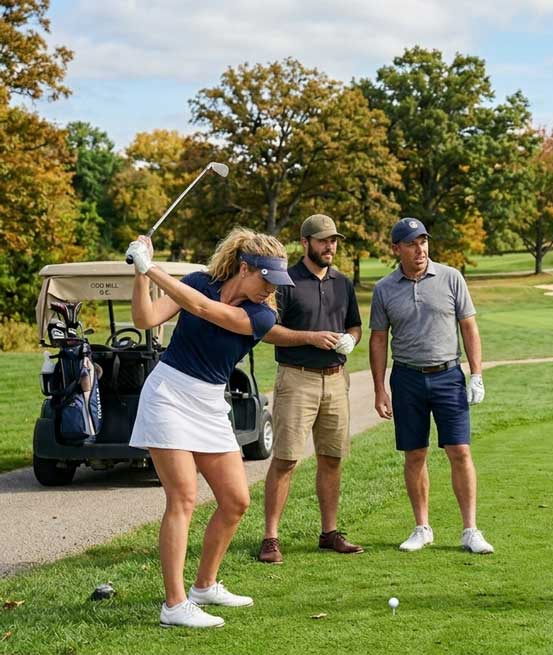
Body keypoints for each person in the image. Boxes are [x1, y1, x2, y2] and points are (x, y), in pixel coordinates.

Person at [125, 228, 293, 628]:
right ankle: (174, 604)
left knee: (236, 500)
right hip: (168, 393)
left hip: (209, 402)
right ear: (244, 267)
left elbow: (203, 310)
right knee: (182, 497)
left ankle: (205, 585)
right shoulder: (201, 280)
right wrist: (138, 274)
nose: (270, 290)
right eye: (265, 279)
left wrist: (154, 270)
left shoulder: (261, 314)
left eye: (275, 283)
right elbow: (145, 318)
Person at [368, 217, 493, 555]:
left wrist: (476, 374)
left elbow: (469, 328)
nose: (420, 248)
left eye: (423, 241)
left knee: (460, 451)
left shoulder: (451, 277)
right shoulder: (383, 288)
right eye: (411, 243)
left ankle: (470, 530)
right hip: (406, 377)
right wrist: (379, 388)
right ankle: (422, 527)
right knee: (415, 454)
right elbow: (378, 340)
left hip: (448, 375)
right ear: (397, 249)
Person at [257, 214, 363, 564]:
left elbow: (354, 326)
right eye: (323, 241)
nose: (330, 246)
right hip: (296, 377)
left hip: (336, 379)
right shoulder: (285, 283)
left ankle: (329, 533)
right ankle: (271, 538)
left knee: (331, 459)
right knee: (286, 459)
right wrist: (310, 338)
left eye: (333, 240)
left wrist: (350, 340)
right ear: (305, 243)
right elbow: (268, 330)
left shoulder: (342, 283)